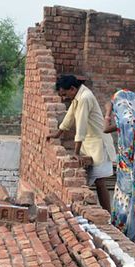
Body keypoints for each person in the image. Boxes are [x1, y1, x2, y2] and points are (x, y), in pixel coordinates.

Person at [46, 75, 117, 213]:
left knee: (100, 182)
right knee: (93, 182)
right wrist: (57, 134)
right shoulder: (78, 96)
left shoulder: (85, 97)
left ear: (72, 89)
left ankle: (107, 216)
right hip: (90, 144)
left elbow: (81, 126)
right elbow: (69, 117)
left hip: (98, 144)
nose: (64, 98)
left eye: (65, 94)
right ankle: (101, 214)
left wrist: (76, 153)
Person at [103, 90, 135, 240]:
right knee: (131, 203)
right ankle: (130, 233)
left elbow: (105, 128)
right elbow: (107, 129)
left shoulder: (126, 122)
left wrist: (107, 112)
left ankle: (127, 235)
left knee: (126, 201)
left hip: (129, 170)